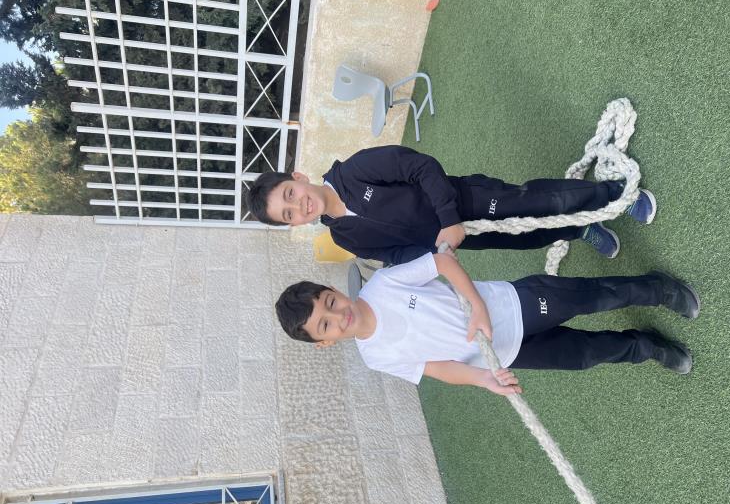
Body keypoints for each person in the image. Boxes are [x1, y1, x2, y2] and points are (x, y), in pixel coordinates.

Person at [274, 252, 700, 394]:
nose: (339, 316)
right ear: (324, 343)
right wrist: (484, 379)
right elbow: (436, 367)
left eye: (330, 302)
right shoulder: (375, 356)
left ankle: (657, 289)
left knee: (594, 297)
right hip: (509, 353)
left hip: (514, 305)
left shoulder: (383, 284)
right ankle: (646, 346)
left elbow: (442, 262)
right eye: (326, 325)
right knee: (586, 355)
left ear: (333, 290)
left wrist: (477, 306)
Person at [247, 145, 656, 265]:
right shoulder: (345, 237)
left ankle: (617, 194)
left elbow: (421, 167)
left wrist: (448, 218)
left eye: (289, 194)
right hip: (460, 239)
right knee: (527, 238)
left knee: (541, 202)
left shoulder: (354, 171)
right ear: (293, 225)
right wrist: (436, 255)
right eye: (288, 214)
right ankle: (580, 228)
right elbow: (395, 254)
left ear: (298, 177)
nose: (298, 206)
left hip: (467, 200)